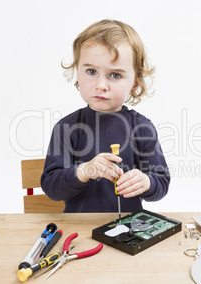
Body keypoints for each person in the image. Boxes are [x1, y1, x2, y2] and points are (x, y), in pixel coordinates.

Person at [41, 19, 170, 213]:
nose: (101, 85)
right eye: (91, 71)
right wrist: (84, 171)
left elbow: (161, 182)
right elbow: (52, 188)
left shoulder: (142, 128)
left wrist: (146, 182)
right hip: (80, 232)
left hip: (129, 231)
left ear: (135, 82)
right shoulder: (66, 128)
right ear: (78, 71)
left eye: (115, 75)